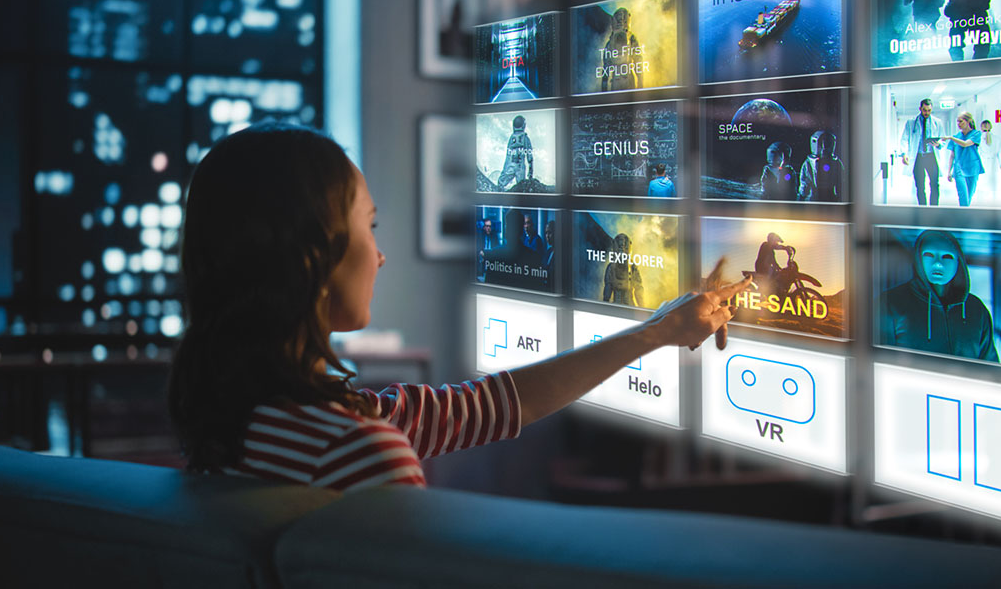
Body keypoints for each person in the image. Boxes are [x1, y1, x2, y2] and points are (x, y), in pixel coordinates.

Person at [170, 122, 749, 491]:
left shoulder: (237, 423)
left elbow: (486, 406)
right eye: (370, 227)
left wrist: (654, 332)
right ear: (312, 260)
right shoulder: (361, 454)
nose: (381, 255)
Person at [878, 229, 998, 362]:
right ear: (918, 259)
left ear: (958, 262)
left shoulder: (976, 309)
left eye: (946, 257)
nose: (938, 264)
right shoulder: (890, 303)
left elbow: (991, 367)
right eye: (929, 255)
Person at [899, 98, 946, 206]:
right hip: (918, 157)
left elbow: (943, 139)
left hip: (931, 156)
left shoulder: (937, 123)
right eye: (925, 110)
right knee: (920, 185)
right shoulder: (911, 122)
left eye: (929, 110)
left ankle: (934, 207)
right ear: (920, 109)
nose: (927, 113)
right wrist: (904, 153)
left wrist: (938, 144)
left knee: (935, 184)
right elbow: (904, 138)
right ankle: (923, 207)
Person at [944, 111, 984, 206]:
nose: (958, 124)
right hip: (959, 169)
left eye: (961, 121)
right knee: (963, 197)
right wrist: (949, 171)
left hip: (972, 168)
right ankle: (963, 217)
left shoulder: (976, 134)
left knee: (969, 196)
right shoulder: (956, 136)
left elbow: (965, 144)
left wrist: (951, 138)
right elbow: (952, 156)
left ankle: (965, 215)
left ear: (968, 121)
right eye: (957, 122)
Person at [601, 7, 642, 92]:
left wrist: (640, 83)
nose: (621, 22)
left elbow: (639, 62)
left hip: (626, 81)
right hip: (617, 82)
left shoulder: (631, 40)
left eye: (623, 20)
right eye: (619, 20)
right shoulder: (610, 44)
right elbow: (606, 68)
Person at [797, 130, 843, 202]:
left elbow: (841, 182)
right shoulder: (808, 163)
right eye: (822, 143)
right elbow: (804, 183)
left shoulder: (835, 162)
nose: (824, 147)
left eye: (827, 143)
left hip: (830, 198)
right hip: (814, 199)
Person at [603, 232, 645, 307]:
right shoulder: (612, 267)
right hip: (622, 306)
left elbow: (638, 288)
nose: (622, 247)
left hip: (625, 305)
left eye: (624, 246)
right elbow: (607, 289)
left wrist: (642, 307)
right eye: (620, 246)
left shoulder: (632, 267)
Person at [496, 115, 533, 191]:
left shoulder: (511, 138)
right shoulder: (525, 138)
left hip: (510, 165)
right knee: (521, 186)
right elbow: (530, 156)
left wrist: (505, 168)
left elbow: (508, 155)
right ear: (523, 126)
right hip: (520, 166)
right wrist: (530, 170)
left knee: (501, 183)